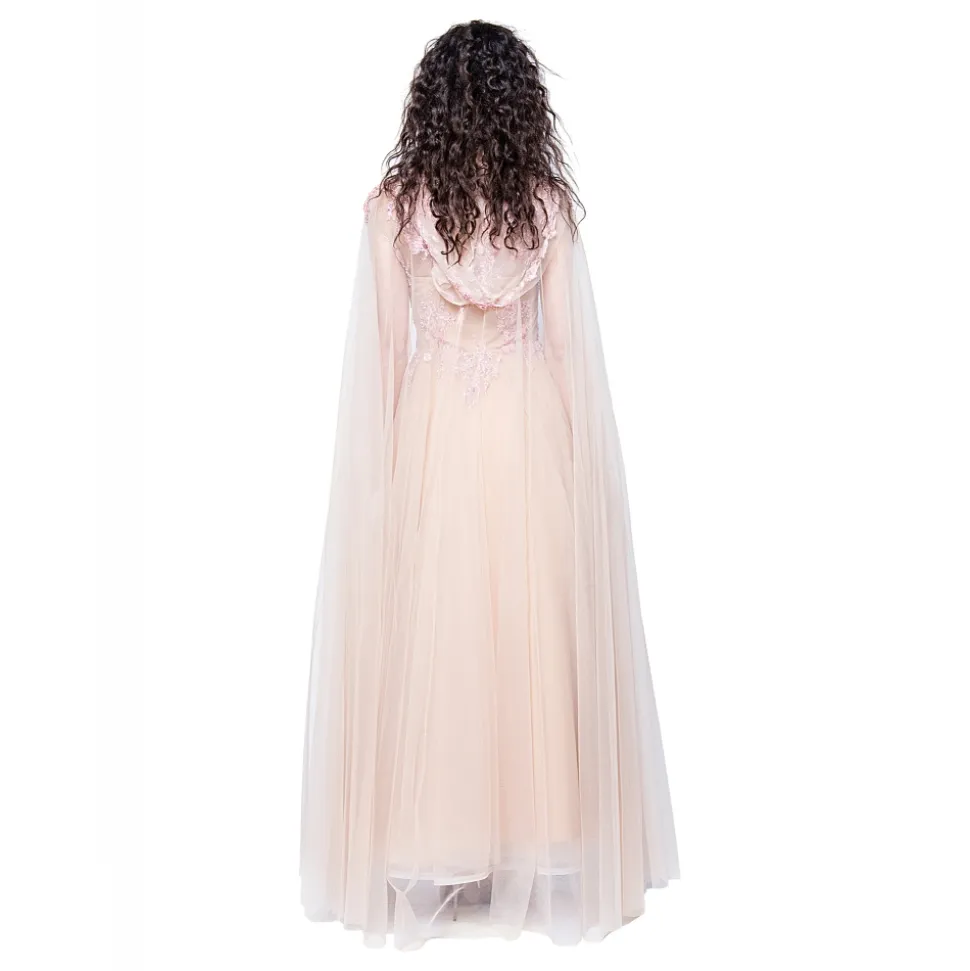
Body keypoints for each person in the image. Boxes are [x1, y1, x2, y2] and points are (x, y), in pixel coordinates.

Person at [300, 19, 679, 950]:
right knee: (527, 628)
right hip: (525, 427)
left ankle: (445, 838)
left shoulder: (395, 209)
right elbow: (567, 353)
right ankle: (526, 835)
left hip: (436, 427)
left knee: (443, 632)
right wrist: (586, 462)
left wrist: (383, 475)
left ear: (429, 106)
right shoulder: (544, 206)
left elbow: (386, 357)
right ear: (522, 107)